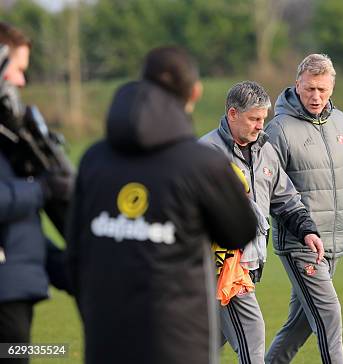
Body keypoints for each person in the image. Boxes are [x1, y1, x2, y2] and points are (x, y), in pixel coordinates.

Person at [66, 46, 257, 364]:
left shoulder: (93, 159)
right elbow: (240, 230)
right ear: (194, 93)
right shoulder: (202, 164)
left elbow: (75, 253)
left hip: (105, 338)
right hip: (178, 342)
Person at [199, 80, 323, 364]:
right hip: (222, 267)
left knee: (206, 340)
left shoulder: (265, 149)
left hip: (251, 264)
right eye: (254, 119)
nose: (260, 126)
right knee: (252, 334)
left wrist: (307, 231)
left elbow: (286, 199)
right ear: (232, 114)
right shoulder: (204, 153)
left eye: (263, 119)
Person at [265, 54, 343, 364]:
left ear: (332, 86)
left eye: (322, 89)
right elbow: (269, 185)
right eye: (309, 89)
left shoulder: (341, 121)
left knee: (300, 324)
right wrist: (300, 229)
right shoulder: (279, 128)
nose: (316, 96)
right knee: (329, 315)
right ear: (297, 85)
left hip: (335, 240)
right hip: (300, 244)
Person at [0, 22, 71, 364]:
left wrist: (66, 268)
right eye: (18, 69)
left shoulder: (8, 138)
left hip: (14, 291)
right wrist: (42, 189)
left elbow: (19, 233)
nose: (22, 82)